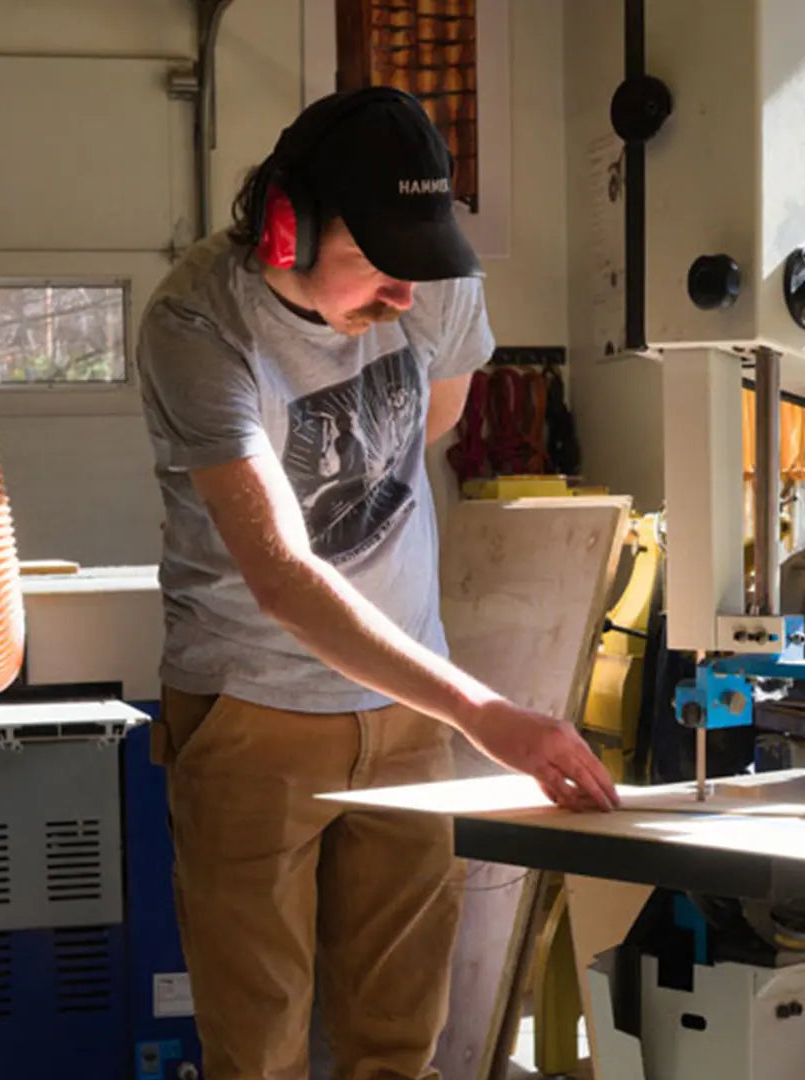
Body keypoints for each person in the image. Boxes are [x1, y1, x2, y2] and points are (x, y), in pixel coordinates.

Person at [135, 85, 620, 1080]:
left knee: (400, 1039)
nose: (404, 298)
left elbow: (431, 426)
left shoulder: (428, 275)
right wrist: (486, 710)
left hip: (404, 708)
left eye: (420, 267)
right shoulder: (198, 324)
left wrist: (448, 706)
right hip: (248, 707)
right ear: (285, 229)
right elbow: (278, 572)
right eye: (373, 268)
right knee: (258, 1047)